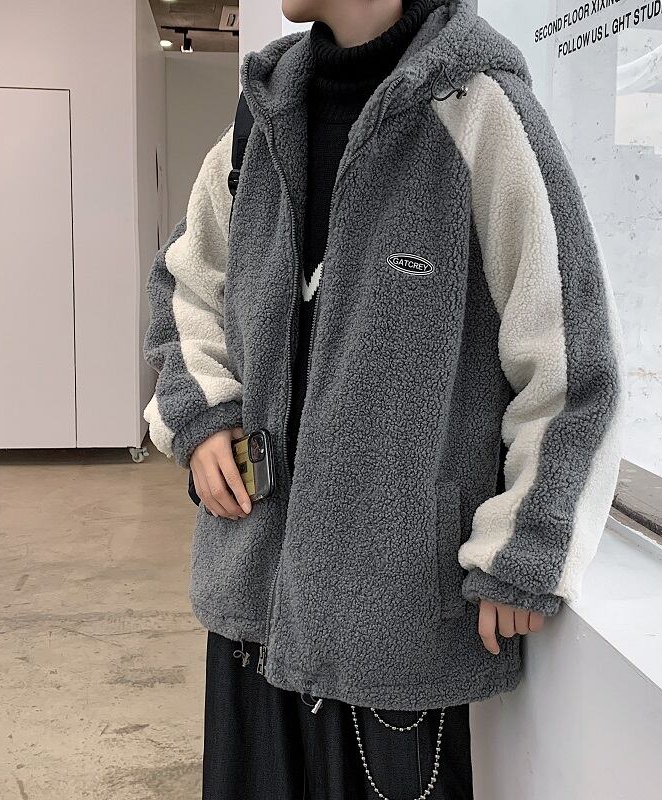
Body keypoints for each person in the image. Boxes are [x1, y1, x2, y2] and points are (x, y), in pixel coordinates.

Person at [142, 0, 626, 797]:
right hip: (251, 603)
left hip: (395, 625)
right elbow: (184, 284)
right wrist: (202, 416)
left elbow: (574, 362)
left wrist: (525, 545)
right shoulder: (262, 117)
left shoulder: (482, 116)